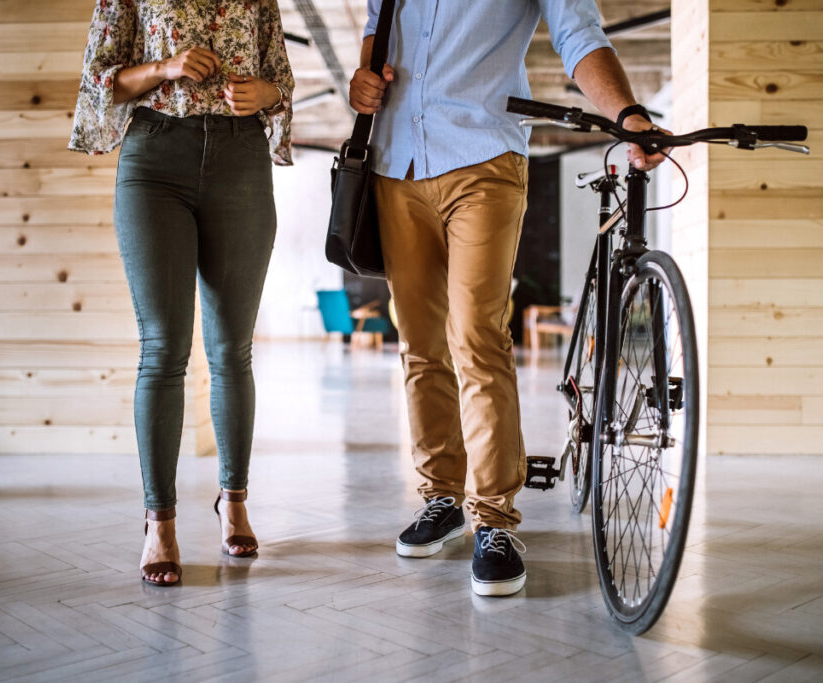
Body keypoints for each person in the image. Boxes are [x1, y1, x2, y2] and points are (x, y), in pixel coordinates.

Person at [348, 0, 667, 596]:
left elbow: (578, 33)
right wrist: (364, 78)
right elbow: (376, 31)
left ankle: (493, 519)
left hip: (483, 159)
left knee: (475, 334)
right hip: (394, 164)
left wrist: (627, 114)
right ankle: (440, 496)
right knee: (419, 343)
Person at [70, 0, 294, 586]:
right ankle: (159, 522)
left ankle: (235, 501)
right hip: (155, 160)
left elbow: (281, 77)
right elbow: (102, 77)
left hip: (241, 159)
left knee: (231, 350)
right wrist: (165, 68)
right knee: (163, 347)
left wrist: (262, 96)